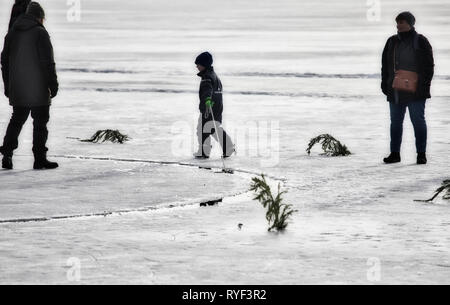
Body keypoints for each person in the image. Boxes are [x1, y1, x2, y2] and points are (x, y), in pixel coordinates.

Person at [0, 2, 59, 170]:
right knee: (40, 123)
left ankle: (7, 154)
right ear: (39, 17)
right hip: (38, 87)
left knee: (17, 120)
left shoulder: (12, 33)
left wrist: (8, 85)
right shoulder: (40, 33)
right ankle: (39, 159)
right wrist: (53, 85)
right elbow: (48, 63)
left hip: (18, 87)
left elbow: (4, 61)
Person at [381, 12, 434, 165]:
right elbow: (385, 65)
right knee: (395, 122)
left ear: (410, 23)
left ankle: (421, 154)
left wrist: (423, 87)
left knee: (418, 121)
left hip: (416, 91)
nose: (398, 25)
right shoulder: (391, 41)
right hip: (396, 89)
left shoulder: (421, 41)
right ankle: (395, 154)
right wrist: (384, 83)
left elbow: (428, 66)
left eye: (401, 22)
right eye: (397, 22)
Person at [193, 52, 235, 159]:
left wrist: (208, 100)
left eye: (198, 64)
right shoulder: (213, 75)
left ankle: (205, 151)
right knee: (212, 128)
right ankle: (226, 147)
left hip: (209, 107)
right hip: (217, 107)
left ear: (204, 65)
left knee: (203, 129)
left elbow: (208, 90)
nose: (196, 66)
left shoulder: (207, 77)